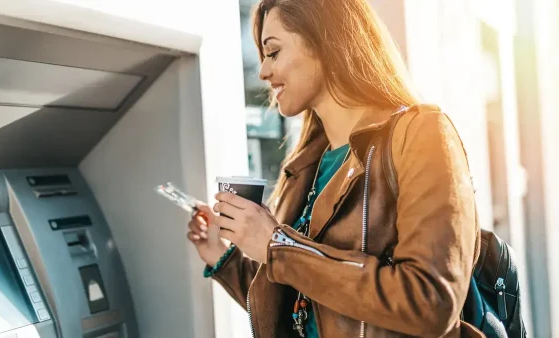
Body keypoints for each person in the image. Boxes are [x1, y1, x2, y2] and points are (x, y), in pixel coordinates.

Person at [187, 0, 484, 337]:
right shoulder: (305, 167)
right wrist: (222, 256)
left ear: (323, 42)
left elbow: (430, 302)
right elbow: (302, 309)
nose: (263, 72)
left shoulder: (423, 134)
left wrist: (277, 246)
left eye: (273, 52)